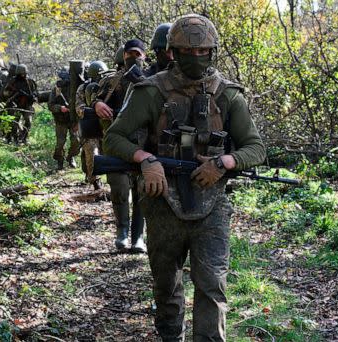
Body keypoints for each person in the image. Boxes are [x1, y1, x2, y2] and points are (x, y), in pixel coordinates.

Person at [104, 14, 266, 341]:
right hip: (162, 202)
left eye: (203, 52)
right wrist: (146, 159)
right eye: (188, 52)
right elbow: (114, 137)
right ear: (172, 52)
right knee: (166, 286)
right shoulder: (150, 92)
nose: (196, 58)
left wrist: (224, 162)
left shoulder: (228, 95)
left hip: (212, 205)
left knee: (212, 286)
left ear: (213, 52)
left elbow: (256, 147)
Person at [93, 40, 147, 253]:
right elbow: (93, 99)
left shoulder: (152, 78)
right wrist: (98, 104)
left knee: (142, 192)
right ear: (122, 56)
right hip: (115, 143)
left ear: (144, 55)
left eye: (137, 53)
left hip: (144, 144)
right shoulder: (111, 81)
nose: (133, 57)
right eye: (129, 54)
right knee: (120, 189)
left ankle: (138, 236)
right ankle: (122, 232)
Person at [76, 60, 108, 190]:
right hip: (90, 127)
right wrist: (93, 110)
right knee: (92, 154)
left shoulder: (109, 85)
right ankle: (95, 181)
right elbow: (79, 107)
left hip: (106, 126)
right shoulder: (83, 88)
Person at [48, 67, 79, 170]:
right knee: (60, 143)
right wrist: (60, 108)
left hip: (73, 119)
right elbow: (51, 105)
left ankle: (71, 157)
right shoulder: (57, 89)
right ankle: (59, 160)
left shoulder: (76, 88)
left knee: (76, 141)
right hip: (61, 120)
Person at [0, 64, 37, 144]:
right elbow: (5, 93)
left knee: (28, 121)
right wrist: (14, 93)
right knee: (14, 123)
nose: (23, 75)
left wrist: (33, 97)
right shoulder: (12, 81)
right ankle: (15, 139)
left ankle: (24, 138)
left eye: (24, 73)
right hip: (15, 104)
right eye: (21, 74)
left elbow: (35, 92)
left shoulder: (30, 82)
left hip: (27, 105)